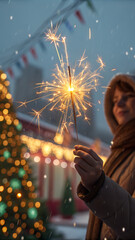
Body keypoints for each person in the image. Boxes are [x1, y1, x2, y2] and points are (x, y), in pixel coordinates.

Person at [73, 73, 135, 240]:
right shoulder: (118, 152)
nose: (119, 104)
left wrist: (99, 185)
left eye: (128, 96)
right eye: (115, 100)